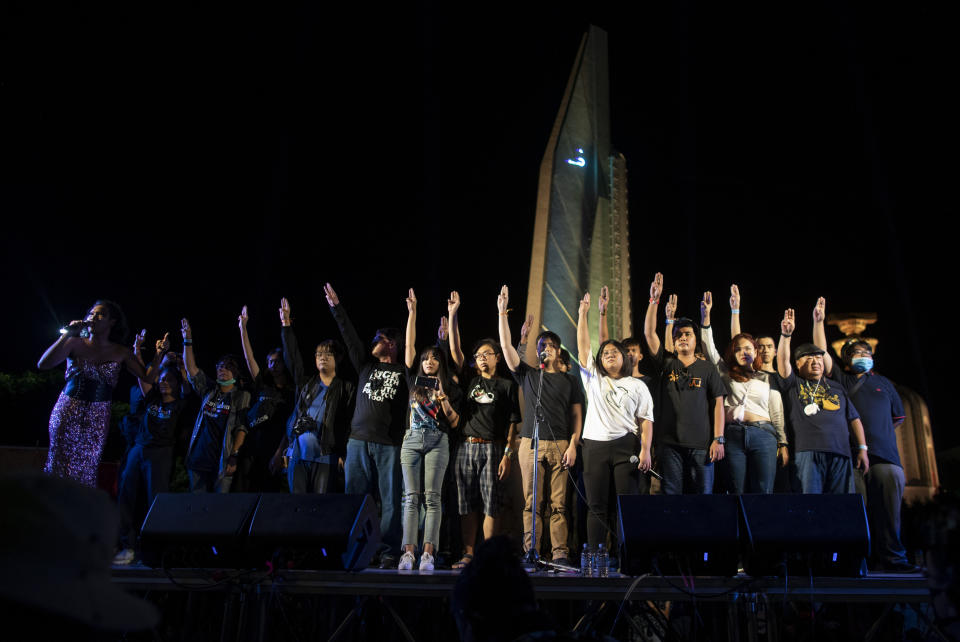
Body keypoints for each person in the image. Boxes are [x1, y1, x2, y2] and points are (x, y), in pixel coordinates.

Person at [813, 299, 917, 572]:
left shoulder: (884, 384)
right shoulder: (841, 380)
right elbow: (822, 352)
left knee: (889, 513)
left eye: (865, 351)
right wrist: (818, 322)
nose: (861, 354)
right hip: (849, 458)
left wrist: (875, 440)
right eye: (855, 352)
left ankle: (893, 558)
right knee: (855, 511)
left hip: (885, 458)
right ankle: (857, 561)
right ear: (846, 358)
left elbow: (898, 418)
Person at [37, 300, 165, 487]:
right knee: (59, 461)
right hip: (68, 409)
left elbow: (147, 377)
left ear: (112, 322)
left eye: (100, 314)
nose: (93, 317)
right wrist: (67, 336)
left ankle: (80, 511)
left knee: (87, 466)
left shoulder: (121, 352)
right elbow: (43, 364)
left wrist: (158, 354)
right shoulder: (74, 342)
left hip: (98, 415)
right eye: (91, 314)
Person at [498, 285, 583, 566]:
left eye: (547, 346)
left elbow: (576, 416)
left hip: (560, 443)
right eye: (539, 346)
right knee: (532, 501)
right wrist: (502, 314)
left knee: (558, 503)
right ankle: (531, 550)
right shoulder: (530, 375)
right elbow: (508, 350)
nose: (542, 349)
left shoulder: (570, 381)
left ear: (558, 351)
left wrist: (573, 443)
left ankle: (559, 551)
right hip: (530, 443)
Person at [324, 283, 408, 568]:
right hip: (357, 441)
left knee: (390, 500)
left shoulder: (402, 370)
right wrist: (337, 308)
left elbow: (412, 350)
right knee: (355, 499)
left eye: (379, 337)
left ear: (392, 344)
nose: (373, 339)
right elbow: (349, 338)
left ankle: (387, 550)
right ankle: (357, 548)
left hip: (388, 443)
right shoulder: (365, 366)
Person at [448, 291, 522, 569]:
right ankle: (468, 553)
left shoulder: (506, 386)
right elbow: (455, 351)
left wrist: (507, 454)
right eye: (478, 355)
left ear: (497, 358)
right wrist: (454, 315)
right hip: (466, 445)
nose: (481, 359)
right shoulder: (469, 380)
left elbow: (514, 421)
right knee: (466, 501)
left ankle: (488, 555)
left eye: (486, 354)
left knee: (492, 501)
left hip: (492, 446)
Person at [576, 289, 653, 549]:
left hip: (625, 446)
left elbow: (646, 421)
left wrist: (645, 450)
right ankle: (596, 560)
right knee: (596, 505)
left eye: (615, 352)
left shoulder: (637, 385)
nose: (609, 354)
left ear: (625, 359)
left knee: (625, 505)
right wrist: (583, 314)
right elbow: (584, 346)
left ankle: (626, 559)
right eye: (605, 352)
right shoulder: (593, 379)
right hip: (595, 446)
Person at [397, 289, 462, 571]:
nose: (429, 361)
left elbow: (455, 421)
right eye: (426, 358)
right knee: (411, 497)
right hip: (411, 440)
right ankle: (408, 553)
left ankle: (427, 554)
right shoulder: (415, 381)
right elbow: (409, 348)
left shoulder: (448, 385)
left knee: (433, 498)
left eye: (434, 358)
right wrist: (412, 313)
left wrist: (444, 402)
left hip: (438, 440)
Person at [643, 274, 725, 494]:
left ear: (696, 339)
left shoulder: (707, 368)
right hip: (669, 445)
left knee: (703, 499)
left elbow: (718, 404)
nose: (682, 338)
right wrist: (654, 301)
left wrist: (719, 439)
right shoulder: (667, 364)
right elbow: (649, 334)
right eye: (678, 335)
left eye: (687, 334)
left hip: (702, 445)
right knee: (672, 498)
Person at [699, 291, 787, 494]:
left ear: (756, 352)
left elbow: (777, 412)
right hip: (733, 435)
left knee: (763, 491)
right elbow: (708, 348)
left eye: (748, 348)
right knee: (736, 490)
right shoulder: (725, 373)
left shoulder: (767, 378)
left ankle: (760, 526)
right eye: (738, 349)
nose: (743, 352)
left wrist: (783, 443)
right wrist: (706, 318)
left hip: (763, 434)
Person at [776, 304, 869, 494]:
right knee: (812, 504)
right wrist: (786, 336)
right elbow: (783, 363)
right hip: (807, 452)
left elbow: (854, 419)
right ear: (798, 364)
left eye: (818, 358)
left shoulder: (836, 387)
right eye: (808, 358)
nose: (815, 361)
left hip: (841, 452)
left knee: (840, 506)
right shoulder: (794, 384)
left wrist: (862, 449)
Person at [273, 297, 355, 494]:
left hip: (326, 455)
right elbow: (292, 357)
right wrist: (286, 326)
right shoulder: (306, 384)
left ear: (338, 359)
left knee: (319, 506)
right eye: (319, 354)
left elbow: (347, 423)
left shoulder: (345, 388)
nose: (322, 358)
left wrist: (343, 453)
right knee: (297, 504)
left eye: (328, 354)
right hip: (299, 454)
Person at [114, 363, 186, 564]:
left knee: (155, 501)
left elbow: (188, 384)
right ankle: (127, 546)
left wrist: (180, 367)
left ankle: (153, 549)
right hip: (139, 448)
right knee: (126, 496)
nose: (164, 382)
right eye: (162, 379)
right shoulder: (152, 398)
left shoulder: (180, 404)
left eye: (169, 379)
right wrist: (158, 356)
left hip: (161, 453)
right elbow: (144, 379)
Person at [181, 318, 252, 493]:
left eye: (227, 367)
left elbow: (241, 428)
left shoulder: (241, 396)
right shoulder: (209, 390)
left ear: (235, 372)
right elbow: (191, 369)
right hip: (198, 459)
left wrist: (234, 455)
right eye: (220, 366)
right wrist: (187, 339)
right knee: (197, 508)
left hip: (221, 460)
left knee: (218, 509)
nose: (222, 369)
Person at [236, 305, 294, 492]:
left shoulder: (292, 391)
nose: (273, 365)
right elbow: (249, 357)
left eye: (277, 361)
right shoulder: (263, 384)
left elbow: (290, 427)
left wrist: (279, 453)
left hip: (275, 451)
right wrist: (242, 328)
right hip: (253, 449)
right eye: (270, 362)